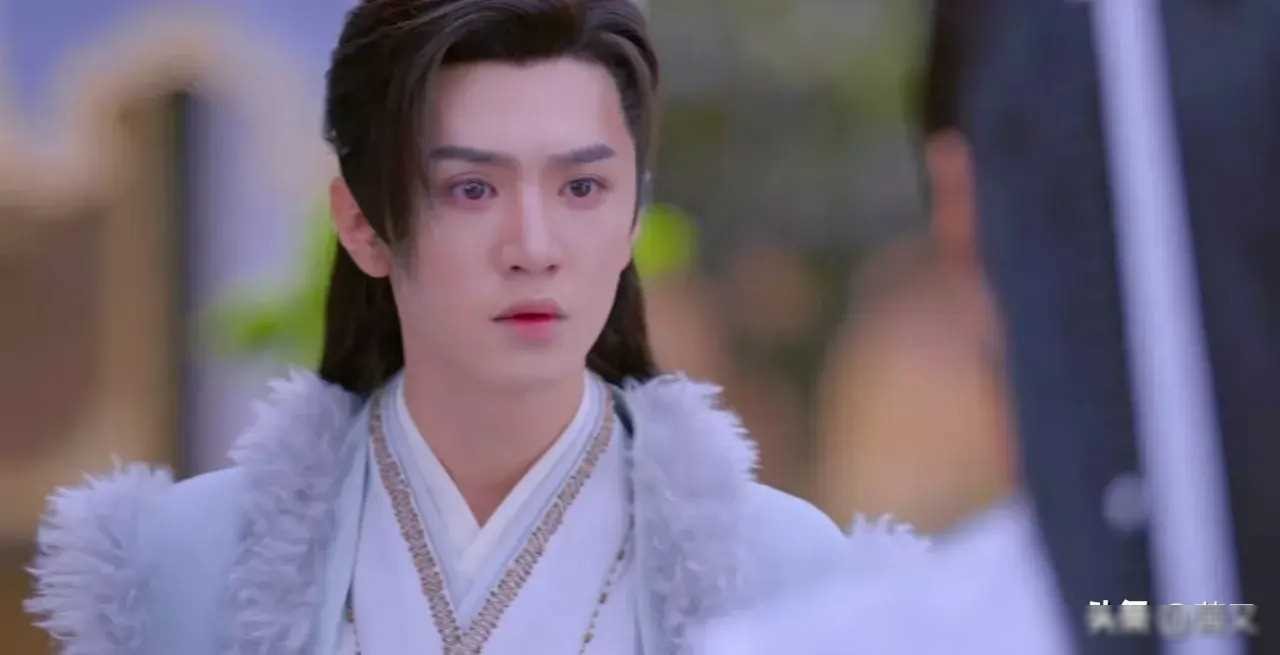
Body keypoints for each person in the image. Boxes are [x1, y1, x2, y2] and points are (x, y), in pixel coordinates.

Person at [24, 2, 922, 654]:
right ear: (363, 224)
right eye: (471, 188)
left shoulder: (787, 578)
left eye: (582, 187)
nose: (533, 247)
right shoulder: (184, 570)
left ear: (632, 219)